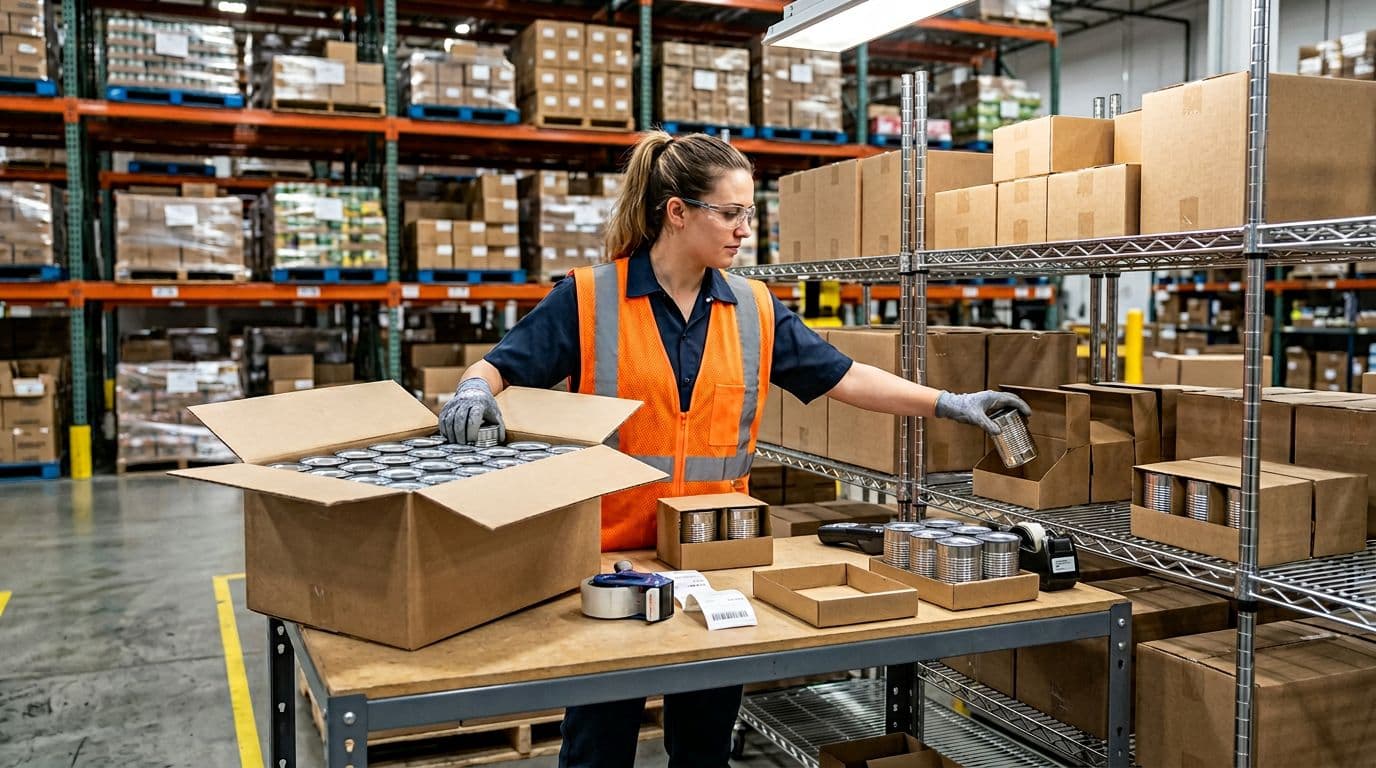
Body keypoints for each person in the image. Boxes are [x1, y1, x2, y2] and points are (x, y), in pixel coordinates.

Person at [438, 131, 1029, 768]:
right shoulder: (589, 297)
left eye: (751, 212)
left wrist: (950, 402)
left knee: (703, 749)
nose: (746, 228)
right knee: (596, 751)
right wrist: (473, 389)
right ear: (677, 211)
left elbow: (844, 375)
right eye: (732, 212)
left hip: (715, 560)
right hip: (613, 563)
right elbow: (504, 364)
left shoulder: (754, 308)